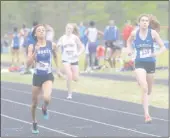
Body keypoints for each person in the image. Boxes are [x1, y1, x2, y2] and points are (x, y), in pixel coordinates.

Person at [126, 14, 167, 123]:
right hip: (139, 62)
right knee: (144, 88)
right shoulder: (134, 33)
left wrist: (156, 53)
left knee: (148, 90)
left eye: (146, 21)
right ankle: (147, 115)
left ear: (149, 23)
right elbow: (128, 41)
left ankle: (141, 81)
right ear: (139, 23)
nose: (144, 22)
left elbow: (163, 47)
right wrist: (129, 50)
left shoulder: (153, 33)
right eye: (142, 20)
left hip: (150, 63)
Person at [27, 24, 59, 134]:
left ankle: (44, 108)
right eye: (39, 30)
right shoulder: (32, 46)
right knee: (34, 103)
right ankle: (34, 122)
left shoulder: (51, 44)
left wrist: (58, 69)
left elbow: (55, 55)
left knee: (46, 98)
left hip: (48, 75)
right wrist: (35, 51)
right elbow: (28, 64)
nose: (41, 31)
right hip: (37, 76)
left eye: (43, 30)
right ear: (35, 34)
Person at [57, 23, 84, 99]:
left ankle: (61, 72)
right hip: (66, 59)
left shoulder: (75, 38)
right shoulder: (62, 38)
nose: (69, 30)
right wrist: (59, 49)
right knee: (69, 75)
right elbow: (58, 47)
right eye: (68, 28)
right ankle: (69, 94)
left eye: (71, 29)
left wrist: (78, 54)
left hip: (74, 59)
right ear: (65, 29)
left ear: (72, 30)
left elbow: (82, 47)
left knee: (75, 78)